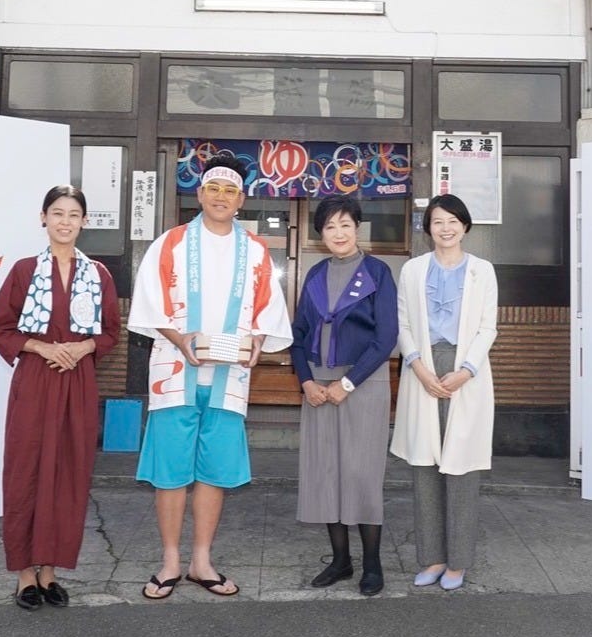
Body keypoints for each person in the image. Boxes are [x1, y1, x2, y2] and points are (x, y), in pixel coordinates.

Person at [128, 152, 292, 600]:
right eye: (213, 189)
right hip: (173, 371)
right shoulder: (171, 243)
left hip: (229, 376)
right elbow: (150, 305)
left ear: (241, 200)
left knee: (214, 471)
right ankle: (170, 561)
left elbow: (267, 313)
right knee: (170, 470)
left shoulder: (255, 251)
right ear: (199, 194)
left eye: (230, 190)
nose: (221, 197)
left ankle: (201, 561)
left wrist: (257, 343)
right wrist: (180, 338)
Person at [0, 184, 121, 610]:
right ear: (43, 218)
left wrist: (82, 349)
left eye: (73, 214)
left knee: (69, 472)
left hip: (77, 381)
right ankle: (25, 574)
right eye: (57, 213)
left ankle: (50, 572)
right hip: (35, 380)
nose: (65, 221)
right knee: (25, 470)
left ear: (85, 222)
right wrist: (42, 347)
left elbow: (111, 332)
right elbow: (1, 328)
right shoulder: (24, 271)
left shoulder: (98, 274)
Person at [290, 194, 398, 596]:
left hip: (363, 383)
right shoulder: (315, 274)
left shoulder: (377, 272)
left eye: (345, 225)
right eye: (330, 226)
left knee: (361, 472)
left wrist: (347, 384)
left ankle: (372, 564)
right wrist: (306, 382)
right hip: (318, 386)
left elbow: (386, 337)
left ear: (357, 228)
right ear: (321, 234)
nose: (338, 233)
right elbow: (298, 334)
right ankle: (340, 561)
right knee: (326, 472)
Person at [389, 193, 498, 592]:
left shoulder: (483, 271)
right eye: (438, 222)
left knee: (462, 469)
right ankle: (432, 558)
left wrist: (465, 371)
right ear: (428, 228)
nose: (446, 228)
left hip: (466, 371)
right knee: (425, 468)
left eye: (453, 221)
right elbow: (403, 324)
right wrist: (418, 367)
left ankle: (458, 562)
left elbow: (488, 327)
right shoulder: (413, 270)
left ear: (465, 226)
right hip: (423, 368)